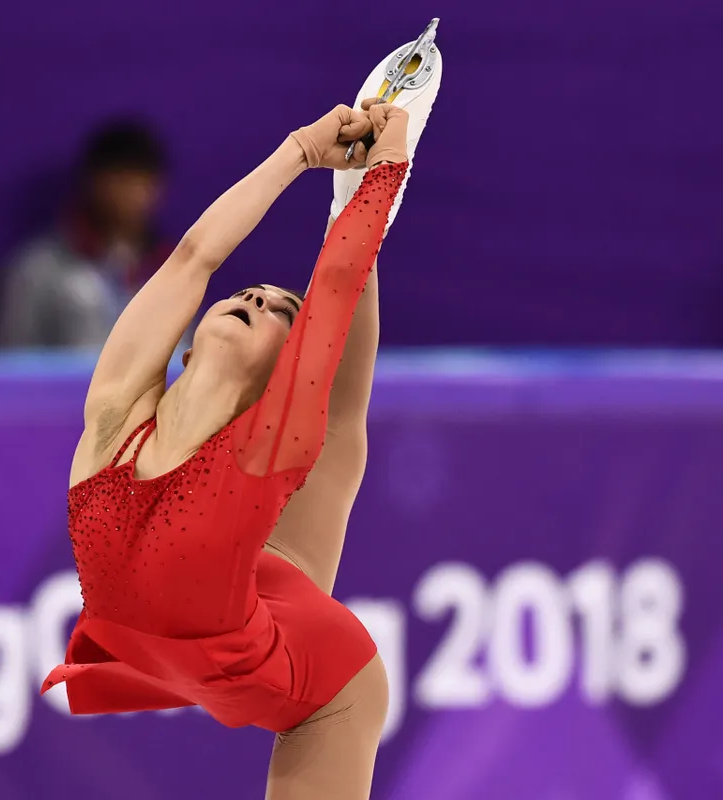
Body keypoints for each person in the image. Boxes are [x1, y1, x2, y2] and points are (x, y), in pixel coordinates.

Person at [40, 39, 441, 800]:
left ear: (286, 374)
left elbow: (336, 288)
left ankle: (346, 207)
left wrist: (384, 176)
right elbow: (193, 256)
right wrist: (298, 152)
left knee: (338, 434)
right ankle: (343, 202)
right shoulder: (115, 413)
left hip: (310, 670)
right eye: (248, 292)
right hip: (230, 592)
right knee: (288, 538)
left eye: (280, 311)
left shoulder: (271, 441)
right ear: (191, 340)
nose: (256, 296)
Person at [0, 119, 178, 351]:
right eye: (122, 180)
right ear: (94, 182)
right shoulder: (36, 271)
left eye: (144, 182)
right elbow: (5, 360)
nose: (133, 195)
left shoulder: (173, 269)